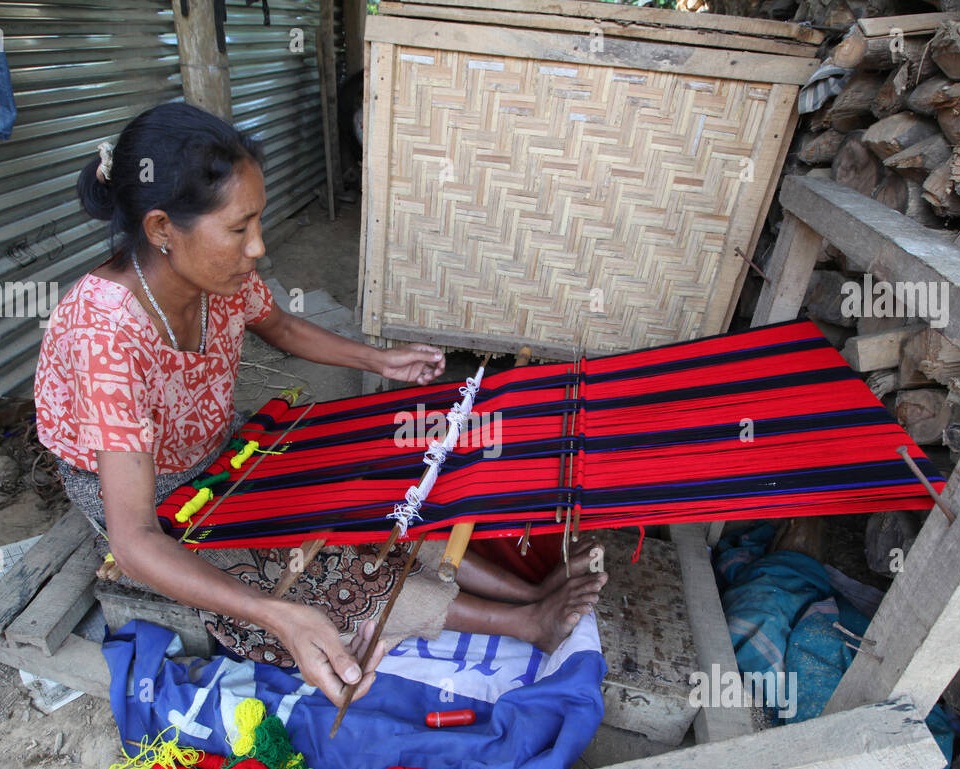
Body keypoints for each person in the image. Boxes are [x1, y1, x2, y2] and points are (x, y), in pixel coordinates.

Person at [34, 103, 607, 708]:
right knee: (312, 576)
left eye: (258, 222)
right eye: (238, 228)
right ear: (160, 230)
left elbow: (278, 326)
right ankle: (527, 624)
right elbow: (134, 539)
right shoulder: (105, 333)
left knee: (373, 492)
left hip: (219, 452)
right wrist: (268, 611)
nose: (256, 247)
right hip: (149, 497)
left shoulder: (217, 277)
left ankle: (529, 590)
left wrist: (379, 362)